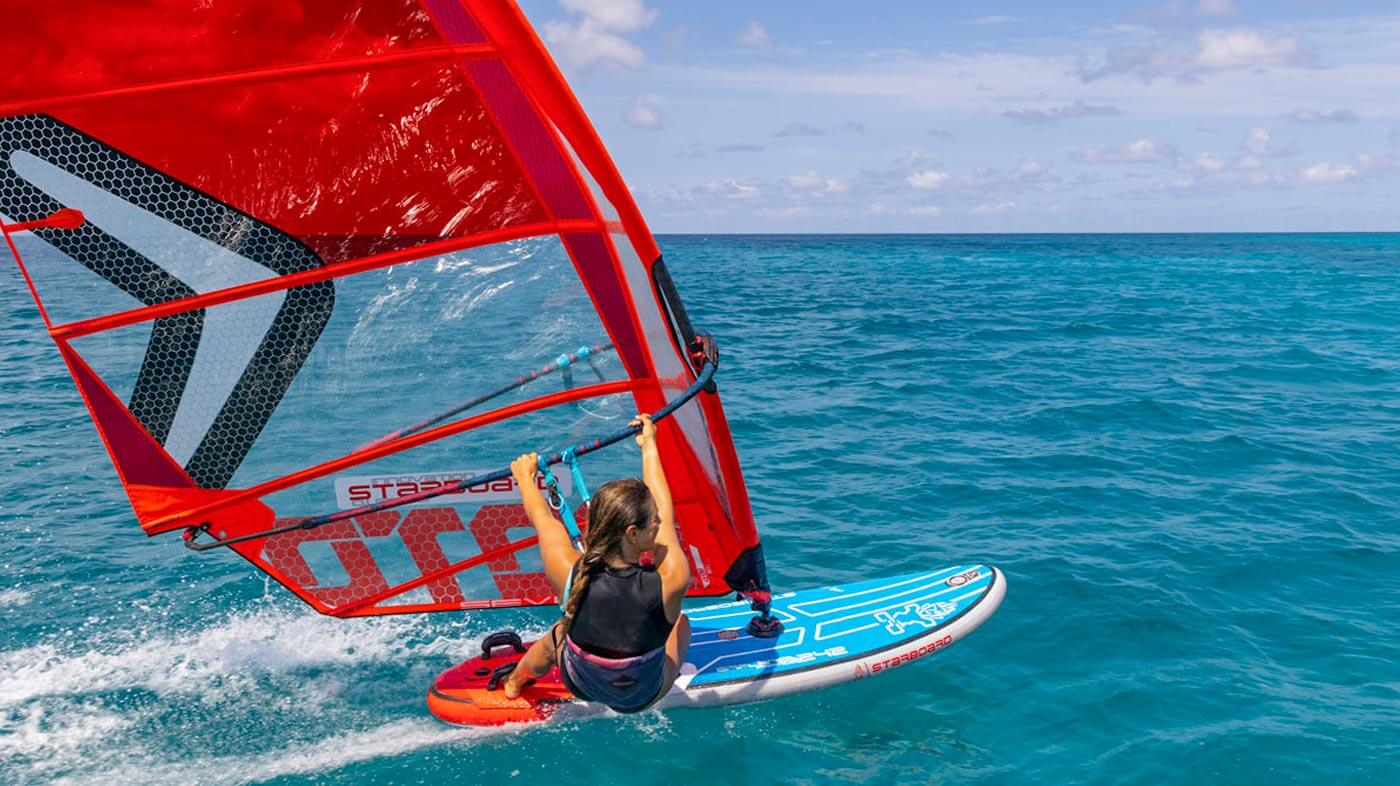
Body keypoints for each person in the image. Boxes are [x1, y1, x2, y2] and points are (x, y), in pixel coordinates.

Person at [501, 414, 691, 713]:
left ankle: (514, 682)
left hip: (580, 683)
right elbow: (667, 515)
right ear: (632, 533)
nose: (659, 522)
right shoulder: (671, 578)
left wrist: (525, 479)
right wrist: (649, 446)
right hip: (642, 695)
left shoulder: (568, 570)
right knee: (681, 623)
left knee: (559, 633)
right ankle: (666, 666)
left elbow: (543, 519)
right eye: (652, 520)